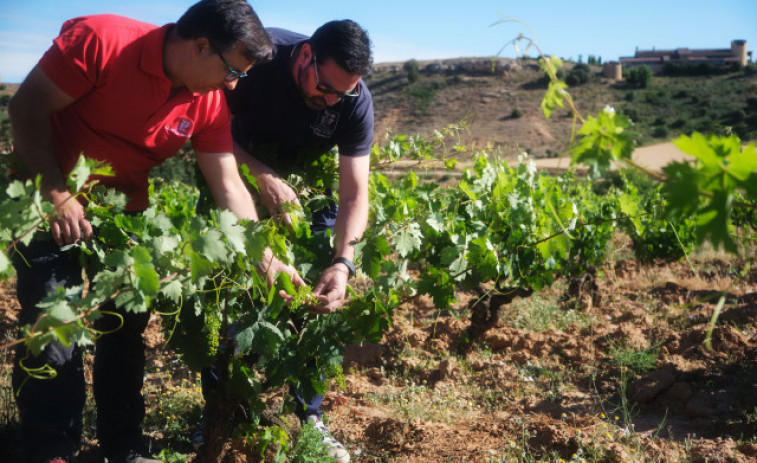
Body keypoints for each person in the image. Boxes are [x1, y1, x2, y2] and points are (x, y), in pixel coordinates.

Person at [6, 1, 299, 462]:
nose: (232, 83)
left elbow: (227, 183)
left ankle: (122, 446)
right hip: (45, 194)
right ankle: (50, 448)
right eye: (231, 70)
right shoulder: (103, 42)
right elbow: (25, 108)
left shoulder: (207, 101)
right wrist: (56, 191)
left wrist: (263, 255)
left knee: (124, 329)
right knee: (54, 321)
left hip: (124, 214)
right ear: (201, 45)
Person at [198, 19, 374, 463]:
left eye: (343, 92)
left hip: (306, 195)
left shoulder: (354, 101)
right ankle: (222, 416)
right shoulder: (256, 59)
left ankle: (309, 420)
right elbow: (203, 130)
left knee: (314, 302)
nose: (331, 99)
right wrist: (261, 175)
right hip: (228, 175)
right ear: (305, 54)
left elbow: (354, 192)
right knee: (229, 299)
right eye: (325, 86)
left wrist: (342, 262)